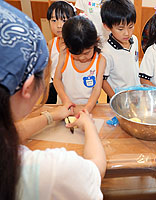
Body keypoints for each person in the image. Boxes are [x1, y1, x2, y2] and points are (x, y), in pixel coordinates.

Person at [0, 1, 106, 199]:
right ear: (28, 87)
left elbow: (12, 134)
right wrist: (88, 124)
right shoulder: (50, 169)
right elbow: (95, 169)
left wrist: (51, 117)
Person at [53, 15, 106, 113]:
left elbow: (96, 89)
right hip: (65, 106)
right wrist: (65, 100)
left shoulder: (100, 60)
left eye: (86, 53)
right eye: (76, 54)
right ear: (66, 45)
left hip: (89, 108)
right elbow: (57, 79)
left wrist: (87, 108)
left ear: (96, 42)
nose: (82, 57)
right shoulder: (64, 55)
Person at [100, 0, 140, 101]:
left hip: (136, 94)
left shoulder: (134, 40)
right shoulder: (106, 52)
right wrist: (115, 98)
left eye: (131, 27)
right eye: (120, 29)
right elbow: (102, 80)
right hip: (118, 98)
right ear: (107, 26)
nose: (127, 33)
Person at [46, 1, 76, 104]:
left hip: (72, 86)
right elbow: (49, 67)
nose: (59, 25)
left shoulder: (78, 45)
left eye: (64, 20)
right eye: (54, 20)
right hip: (53, 86)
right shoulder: (51, 44)